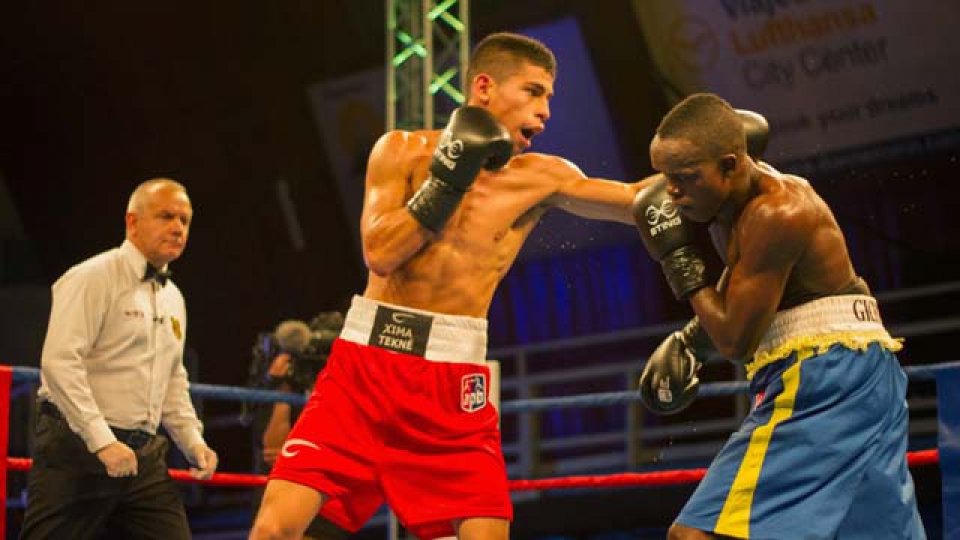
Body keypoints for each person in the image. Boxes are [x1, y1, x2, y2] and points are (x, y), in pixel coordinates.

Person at [250, 32, 654, 540]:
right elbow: (379, 251)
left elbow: (637, 201)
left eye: (549, 96)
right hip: (366, 367)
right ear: (484, 87)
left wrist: (727, 169)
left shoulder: (542, 177)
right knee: (274, 528)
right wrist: (447, 182)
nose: (546, 110)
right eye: (533, 91)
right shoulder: (400, 150)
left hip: (454, 380)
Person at [633, 93, 925, 539]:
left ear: (730, 165)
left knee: (696, 535)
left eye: (685, 179)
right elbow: (741, 283)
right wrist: (691, 341)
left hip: (822, 377)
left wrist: (680, 263)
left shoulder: (777, 213)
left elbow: (734, 341)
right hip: (860, 373)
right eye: (667, 178)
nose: (672, 192)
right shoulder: (724, 196)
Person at [20, 178, 218, 540]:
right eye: (166, 216)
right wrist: (102, 441)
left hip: (144, 456)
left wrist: (193, 441)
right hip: (79, 449)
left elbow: (172, 378)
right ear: (132, 222)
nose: (177, 228)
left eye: (185, 221)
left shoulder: (173, 297)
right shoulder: (90, 278)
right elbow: (60, 362)